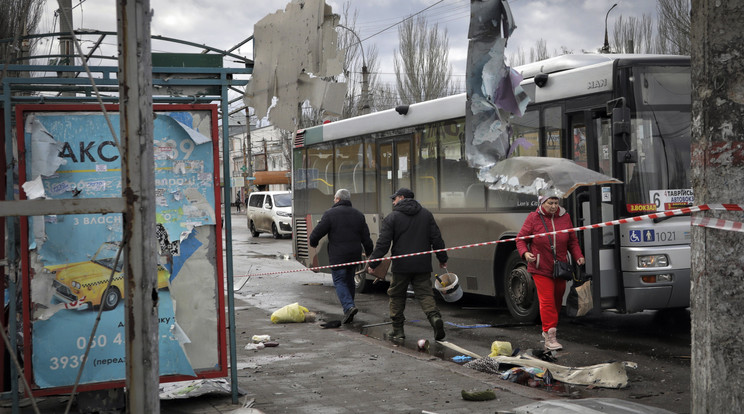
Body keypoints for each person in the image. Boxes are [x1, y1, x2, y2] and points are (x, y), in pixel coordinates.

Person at [366, 188, 448, 341]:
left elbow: (383, 244)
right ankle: (435, 318)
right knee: (425, 294)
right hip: (422, 264)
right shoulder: (426, 215)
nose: (393, 201)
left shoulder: (392, 218)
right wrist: (442, 258)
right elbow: (436, 239)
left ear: (402, 197)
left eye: (394, 198)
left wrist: (373, 263)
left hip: (401, 266)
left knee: (396, 295)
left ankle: (398, 330)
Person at [516, 193, 585, 351]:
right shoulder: (533, 218)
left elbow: (572, 241)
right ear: (542, 203)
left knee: (556, 300)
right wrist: (525, 254)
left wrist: (578, 256)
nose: (554, 206)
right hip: (540, 267)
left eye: (556, 202)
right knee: (546, 301)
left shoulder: (565, 217)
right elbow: (520, 239)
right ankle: (550, 336)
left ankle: (548, 329)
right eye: (550, 203)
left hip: (560, 268)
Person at [309, 189, 374, 324]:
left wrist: (313, 242)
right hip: (354, 255)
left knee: (339, 281)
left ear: (338, 199)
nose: (333, 200)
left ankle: (349, 306)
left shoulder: (330, 214)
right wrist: (369, 252)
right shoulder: (358, 215)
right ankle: (349, 309)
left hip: (338, 256)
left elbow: (317, 233)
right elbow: (366, 237)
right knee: (349, 280)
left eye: (334, 198)